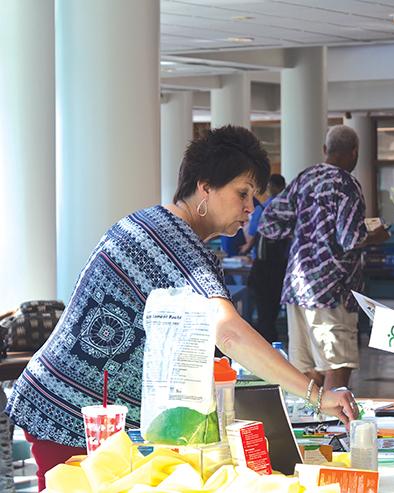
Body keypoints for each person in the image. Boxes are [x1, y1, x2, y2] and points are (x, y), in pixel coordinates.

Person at [6, 126, 358, 491]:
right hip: (72, 412)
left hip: (84, 410)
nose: (250, 208)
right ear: (205, 186)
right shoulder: (169, 240)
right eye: (242, 193)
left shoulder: (159, 227)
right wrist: (317, 395)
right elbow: (230, 331)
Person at [258, 125, 389, 390]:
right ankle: (335, 430)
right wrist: (376, 236)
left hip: (297, 287)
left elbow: (269, 224)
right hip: (332, 291)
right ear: (355, 153)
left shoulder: (304, 178)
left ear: (325, 150)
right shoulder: (346, 184)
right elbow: (350, 239)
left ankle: (310, 429)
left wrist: (304, 234)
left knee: (306, 374)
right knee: (336, 368)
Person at [245, 174, 290, 343]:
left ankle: (266, 342)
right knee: (274, 308)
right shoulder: (291, 209)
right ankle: (273, 340)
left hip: (263, 266)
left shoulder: (262, 209)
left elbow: (252, 234)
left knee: (263, 309)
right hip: (282, 266)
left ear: (271, 187)